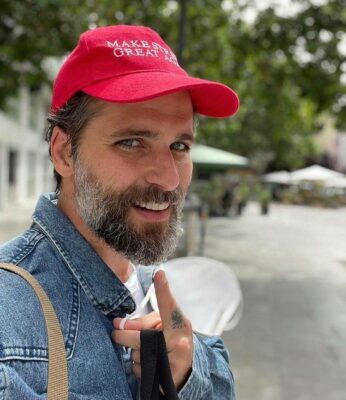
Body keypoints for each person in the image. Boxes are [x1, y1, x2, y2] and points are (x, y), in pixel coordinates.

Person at [0, 25, 239, 399]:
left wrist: (187, 375)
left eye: (179, 145)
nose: (169, 178)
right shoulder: (8, 322)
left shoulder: (159, 287)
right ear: (64, 152)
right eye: (131, 142)